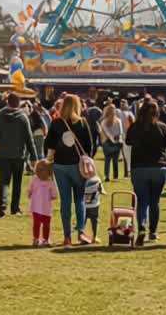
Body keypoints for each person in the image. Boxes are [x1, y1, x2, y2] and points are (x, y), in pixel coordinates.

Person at [45, 94, 96, 245]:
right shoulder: (82, 123)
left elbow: (49, 145)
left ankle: (67, 236)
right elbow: (90, 146)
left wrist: (49, 160)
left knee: (65, 202)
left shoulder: (56, 123)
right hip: (78, 166)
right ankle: (80, 232)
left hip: (60, 165)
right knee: (79, 199)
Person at [127, 99, 166, 245]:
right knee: (154, 202)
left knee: (142, 201)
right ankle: (153, 232)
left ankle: (141, 226)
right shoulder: (162, 127)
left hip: (139, 168)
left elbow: (128, 142)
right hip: (158, 167)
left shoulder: (135, 127)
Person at [0, 93, 38, 217]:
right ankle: (15, 207)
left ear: (7, 102)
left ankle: (2, 205)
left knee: (4, 181)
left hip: (3, 153)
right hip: (19, 154)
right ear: (18, 103)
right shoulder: (23, 117)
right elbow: (29, 138)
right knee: (17, 182)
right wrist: (34, 156)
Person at [28, 159, 56, 247]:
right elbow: (54, 195)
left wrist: (30, 194)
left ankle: (35, 239)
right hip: (46, 208)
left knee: (36, 224)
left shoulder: (34, 179)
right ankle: (45, 240)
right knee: (46, 225)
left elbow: (29, 191)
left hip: (35, 207)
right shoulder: (50, 182)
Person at [98, 104, 124, 182]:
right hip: (117, 141)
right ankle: (115, 176)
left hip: (107, 142)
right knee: (115, 160)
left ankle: (106, 176)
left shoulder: (103, 122)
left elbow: (107, 133)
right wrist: (116, 140)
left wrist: (112, 139)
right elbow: (120, 132)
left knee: (107, 160)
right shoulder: (118, 120)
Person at [83, 172, 103, 243]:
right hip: (94, 205)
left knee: (83, 221)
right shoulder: (97, 179)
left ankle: (81, 236)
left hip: (83, 205)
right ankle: (94, 237)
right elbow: (101, 190)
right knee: (94, 220)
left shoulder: (81, 179)